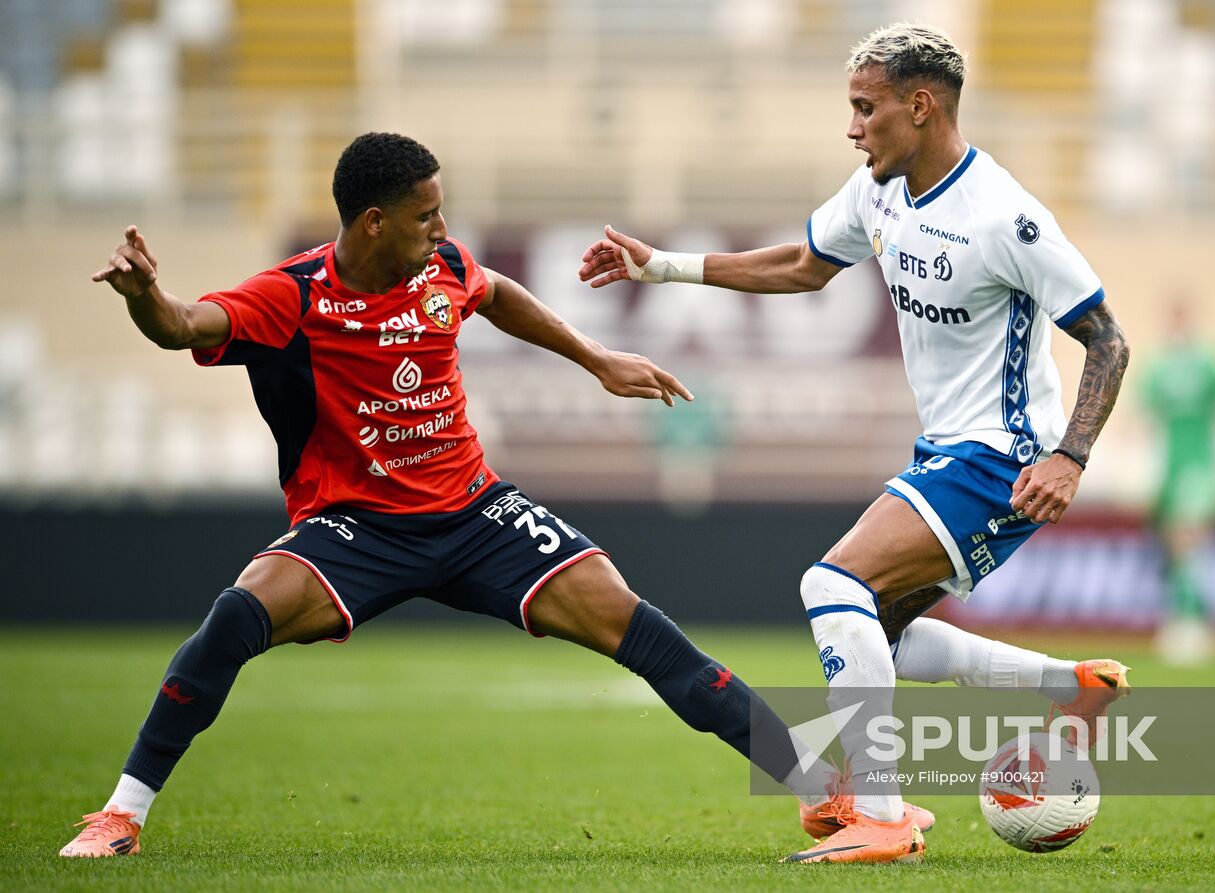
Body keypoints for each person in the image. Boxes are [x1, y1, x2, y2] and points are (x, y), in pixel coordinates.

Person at [63, 132, 856, 859]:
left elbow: (498, 291)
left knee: (641, 627)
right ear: (373, 222)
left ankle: (823, 795)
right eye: (426, 216)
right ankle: (121, 815)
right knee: (237, 614)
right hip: (355, 528)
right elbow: (183, 326)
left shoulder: (440, 270)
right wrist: (143, 296)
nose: (442, 231)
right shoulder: (294, 296)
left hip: (479, 515)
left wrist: (597, 358)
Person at [580, 23, 1133, 864]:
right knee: (877, 628)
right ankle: (1073, 687)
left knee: (831, 584)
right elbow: (803, 264)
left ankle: (881, 812)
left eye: (863, 108)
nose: (852, 127)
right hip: (948, 451)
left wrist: (1071, 457)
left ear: (920, 106)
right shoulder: (878, 190)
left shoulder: (1007, 218)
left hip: (1004, 458)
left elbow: (1109, 340)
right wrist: (663, 267)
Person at [1142, 296, 1215, 665]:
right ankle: (1185, 619)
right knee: (1175, 547)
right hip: (1169, 465)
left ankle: (1194, 623)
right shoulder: (1159, 365)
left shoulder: (1210, 361)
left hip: (1200, 463)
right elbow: (1145, 415)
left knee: (1188, 539)